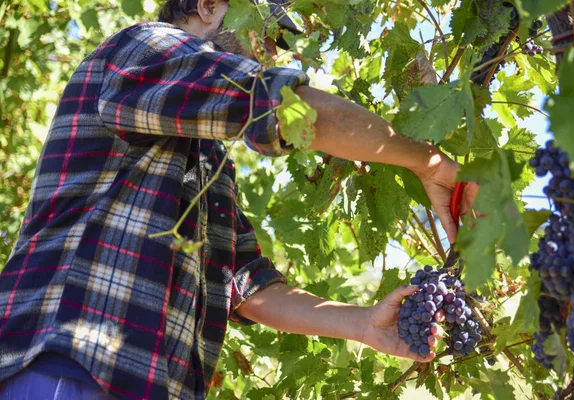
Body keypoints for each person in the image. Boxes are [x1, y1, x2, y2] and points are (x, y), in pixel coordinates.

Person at [0, 0, 477, 399]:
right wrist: (430, 163)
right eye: (265, 36)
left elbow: (249, 288)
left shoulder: (204, 160)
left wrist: (366, 326)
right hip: (65, 367)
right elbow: (283, 107)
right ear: (208, 5)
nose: (270, 55)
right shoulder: (143, 46)